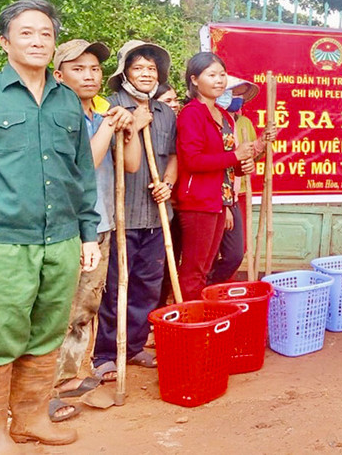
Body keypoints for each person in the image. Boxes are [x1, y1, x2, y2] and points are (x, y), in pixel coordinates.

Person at [0, 0, 100, 450]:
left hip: (62, 239)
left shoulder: (68, 100)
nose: (38, 40)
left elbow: (82, 174)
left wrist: (88, 234)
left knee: (47, 331)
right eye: (26, 32)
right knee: (0, 337)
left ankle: (30, 420)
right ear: (6, 41)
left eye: (46, 33)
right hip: (3, 241)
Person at [51, 40, 145, 420]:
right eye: (78, 68)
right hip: (68, 228)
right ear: (58, 76)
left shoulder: (105, 110)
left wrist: (131, 128)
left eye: (94, 68)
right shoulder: (57, 113)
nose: (89, 75)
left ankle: (71, 375)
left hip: (102, 222)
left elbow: (133, 165)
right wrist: (110, 124)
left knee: (85, 307)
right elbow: (84, 164)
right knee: (58, 310)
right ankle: (46, 387)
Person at [93, 40, 178, 381]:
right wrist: (134, 124)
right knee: (115, 288)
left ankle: (136, 345)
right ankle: (106, 354)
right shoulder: (111, 107)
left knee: (147, 285)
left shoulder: (167, 112)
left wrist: (167, 183)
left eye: (151, 69)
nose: (145, 74)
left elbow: (173, 156)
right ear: (125, 72)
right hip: (120, 215)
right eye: (138, 67)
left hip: (157, 216)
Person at [176, 53, 259, 300]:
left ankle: (200, 316)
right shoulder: (192, 113)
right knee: (195, 269)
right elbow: (192, 160)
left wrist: (244, 165)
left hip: (220, 199)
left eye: (222, 74)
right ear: (194, 79)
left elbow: (227, 163)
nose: (219, 80)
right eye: (211, 75)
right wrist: (234, 157)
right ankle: (187, 322)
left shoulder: (223, 115)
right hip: (198, 200)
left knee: (208, 264)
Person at [207, 74, 271, 285]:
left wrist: (261, 143)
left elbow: (251, 155)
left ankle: (218, 287)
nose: (236, 98)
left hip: (238, 191)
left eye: (238, 95)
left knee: (235, 251)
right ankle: (204, 291)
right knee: (211, 249)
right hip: (216, 193)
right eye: (232, 93)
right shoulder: (208, 120)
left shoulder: (243, 122)